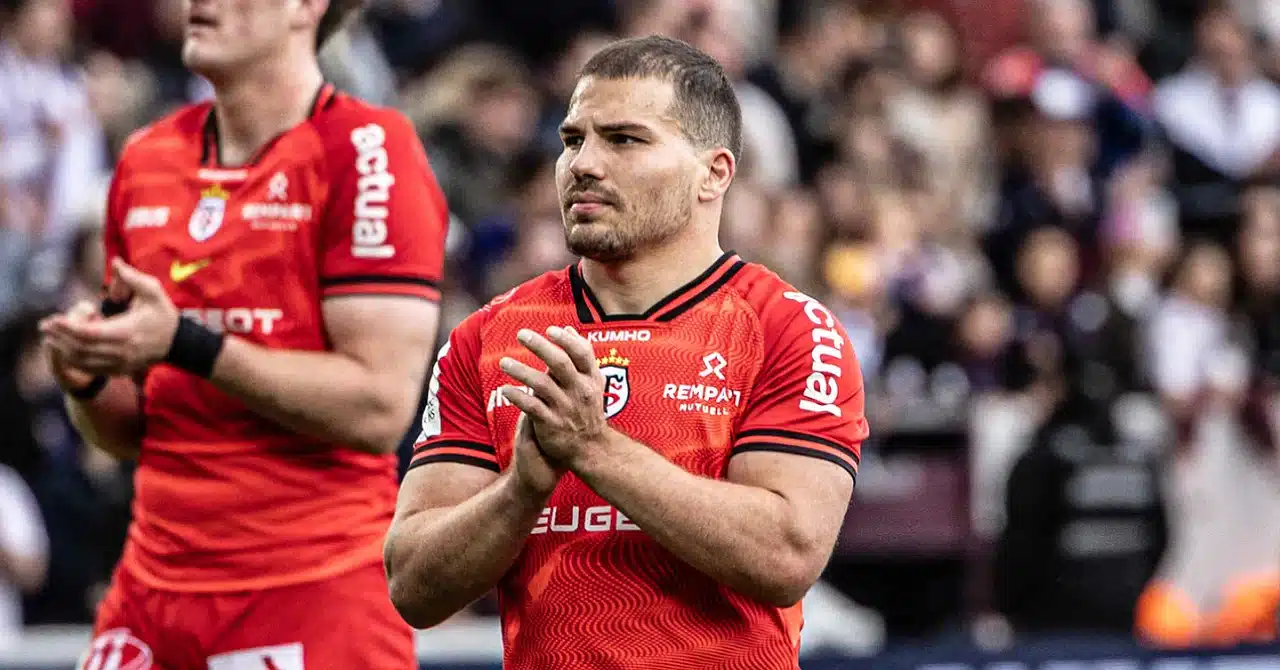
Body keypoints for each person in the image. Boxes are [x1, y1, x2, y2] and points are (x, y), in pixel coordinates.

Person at [384, 35, 868, 669]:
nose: (584, 163)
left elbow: (786, 556)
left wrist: (594, 449)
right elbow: (412, 586)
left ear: (713, 173)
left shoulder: (788, 330)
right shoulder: (489, 337)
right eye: (572, 139)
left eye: (625, 140)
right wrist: (521, 490)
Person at [37, 0, 447, 666]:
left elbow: (378, 407)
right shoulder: (146, 159)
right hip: (152, 587)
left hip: (309, 588)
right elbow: (128, 432)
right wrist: (86, 377)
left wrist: (187, 344)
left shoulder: (369, 150)